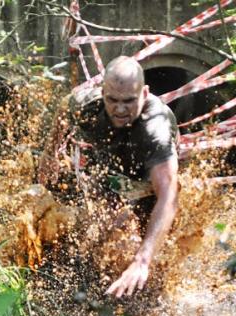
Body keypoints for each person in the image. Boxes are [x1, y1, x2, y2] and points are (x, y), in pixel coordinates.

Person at [39, 56, 179, 298]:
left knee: (152, 244)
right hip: (110, 163)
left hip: (145, 173)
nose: (120, 109)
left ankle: (144, 290)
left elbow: (168, 196)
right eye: (112, 100)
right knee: (106, 226)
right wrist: (49, 153)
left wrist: (142, 261)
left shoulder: (156, 130)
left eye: (129, 101)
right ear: (102, 92)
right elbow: (65, 105)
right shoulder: (88, 104)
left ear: (145, 93)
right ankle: (97, 284)